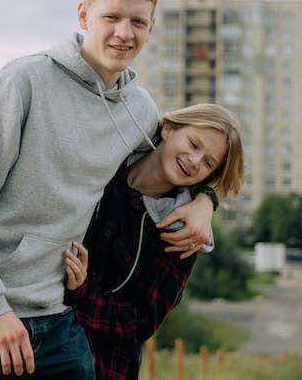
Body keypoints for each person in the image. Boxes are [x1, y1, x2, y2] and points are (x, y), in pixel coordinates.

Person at [0, 0, 217, 379]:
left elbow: (176, 162)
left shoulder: (139, 111)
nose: (124, 33)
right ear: (83, 15)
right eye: (111, 17)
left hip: (54, 316)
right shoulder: (23, 81)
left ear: (151, 28)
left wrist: (207, 200)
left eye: (137, 21)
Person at [63, 104, 244, 380]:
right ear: (168, 129)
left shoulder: (183, 232)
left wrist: (82, 292)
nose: (195, 161)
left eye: (208, 163)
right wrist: (208, 198)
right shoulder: (109, 157)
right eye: (193, 144)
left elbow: (141, 322)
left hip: (104, 364)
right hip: (34, 331)